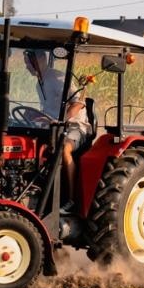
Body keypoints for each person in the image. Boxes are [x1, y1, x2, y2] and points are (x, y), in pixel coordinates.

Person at [22, 49, 91, 202]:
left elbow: (78, 104)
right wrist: (35, 116)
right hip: (53, 128)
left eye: (28, 63)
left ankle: (71, 199)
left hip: (74, 126)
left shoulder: (58, 78)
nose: (26, 67)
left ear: (38, 61)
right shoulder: (39, 83)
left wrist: (61, 120)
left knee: (64, 148)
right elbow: (49, 110)